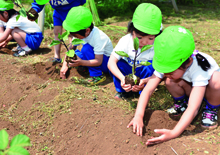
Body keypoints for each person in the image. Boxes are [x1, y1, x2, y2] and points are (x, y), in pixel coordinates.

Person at [127, 25, 220, 145]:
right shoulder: (168, 59)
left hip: (209, 90)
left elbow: (193, 108)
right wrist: (138, 116)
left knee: (217, 80)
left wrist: (174, 132)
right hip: (192, 87)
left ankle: (211, 109)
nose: (166, 73)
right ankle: (181, 103)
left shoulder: (199, 69)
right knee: (170, 80)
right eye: (165, 70)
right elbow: (148, 90)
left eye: (170, 70)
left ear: (189, 62)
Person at [107, 3, 162, 99]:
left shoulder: (158, 45)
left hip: (146, 76)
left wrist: (146, 80)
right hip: (129, 72)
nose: (144, 42)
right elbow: (111, 62)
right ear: (132, 31)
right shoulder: (125, 41)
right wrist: (122, 78)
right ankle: (124, 91)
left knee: (151, 66)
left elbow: (162, 71)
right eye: (139, 37)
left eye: (150, 38)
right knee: (118, 64)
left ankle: (145, 91)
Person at [60, 6, 113, 85]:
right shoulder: (81, 31)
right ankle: (85, 68)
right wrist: (64, 66)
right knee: (75, 55)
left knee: (86, 49)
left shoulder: (98, 37)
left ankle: (97, 75)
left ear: (87, 30)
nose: (75, 37)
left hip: (106, 62)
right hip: (93, 58)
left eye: (76, 35)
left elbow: (99, 61)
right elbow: (70, 50)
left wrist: (81, 62)